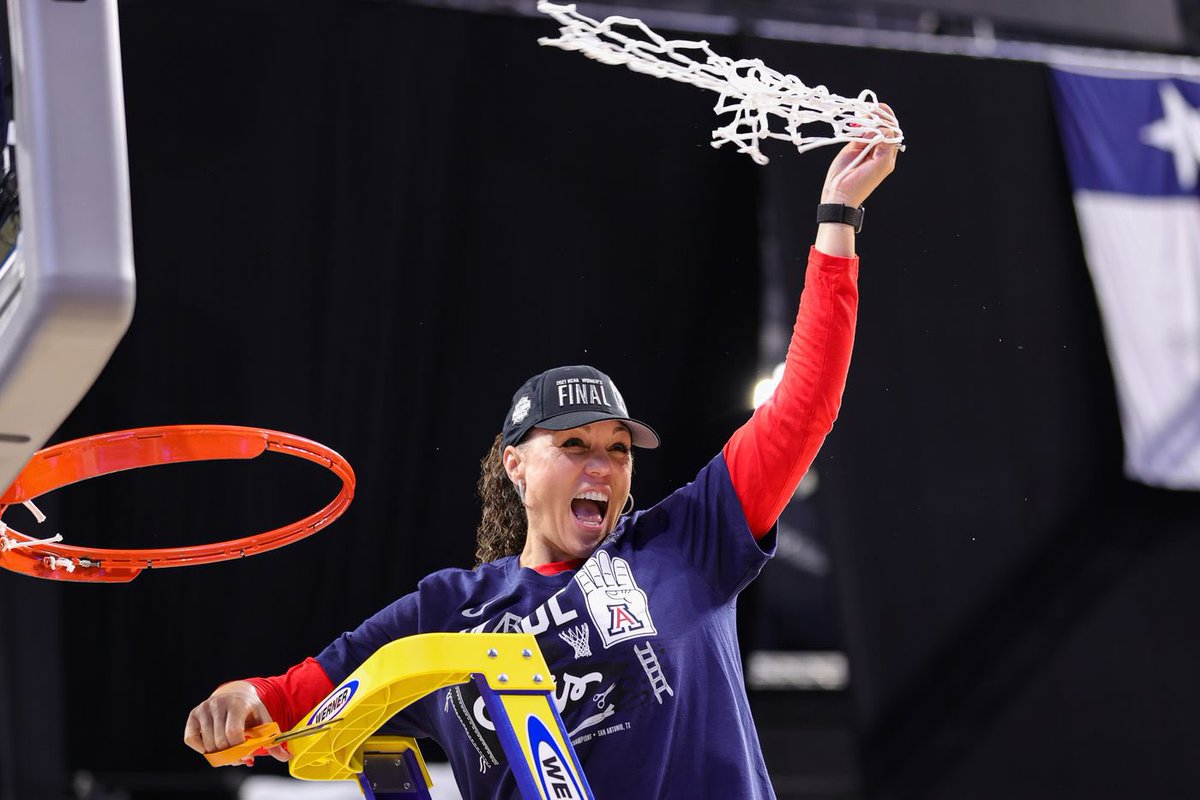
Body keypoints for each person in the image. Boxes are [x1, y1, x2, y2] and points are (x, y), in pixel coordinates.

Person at [184, 118, 900, 798]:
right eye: (575, 446)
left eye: (619, 450)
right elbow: (290, 697)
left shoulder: (687, 540)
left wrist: (838, 220)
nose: (605, 466)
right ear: (515, 465)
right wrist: (239, 700)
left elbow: (802, 409)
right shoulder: (447, 609)